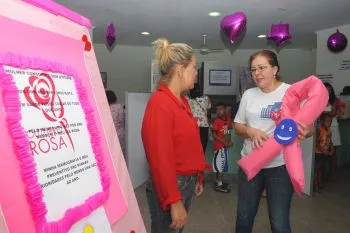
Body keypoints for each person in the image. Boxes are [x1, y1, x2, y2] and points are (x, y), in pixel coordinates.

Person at [233, 50, 313, 233]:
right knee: (244, 217)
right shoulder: (249, 95)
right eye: (253, 69)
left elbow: (309, 128)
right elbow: (237, 125)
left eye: (262, 68)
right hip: (251, 165)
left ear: (275, 69)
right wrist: (249, 131)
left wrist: (306, 131)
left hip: (280, 167)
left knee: (279, 221)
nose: (257, 73)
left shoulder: (291, 92)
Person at [141, 38, 208, 233]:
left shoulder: (182, 101)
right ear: (180, 68)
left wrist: (198, 175)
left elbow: (190, 145)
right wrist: (174, 200)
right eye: (194, 67)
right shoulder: (160, 103)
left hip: (186, 181)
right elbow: (160, 158)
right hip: (172, 185)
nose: (196, 73)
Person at [212, 103, 232, 193]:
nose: (219, 111)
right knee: (220, 166)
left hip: (224, 146)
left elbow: (228, 131)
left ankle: (218, 182)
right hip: (219, 147)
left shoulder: (228, 119)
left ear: (225, 109)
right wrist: (224, 142)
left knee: (222, 165)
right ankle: (219, 185)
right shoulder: (217, 121)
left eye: (221, 109)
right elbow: (214, 135)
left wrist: (229, 141)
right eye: (217, 110)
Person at [323, 82, 342, 178]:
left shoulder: (334, 100)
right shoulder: (319, 98)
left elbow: (333, 113)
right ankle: (324, 175)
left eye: (330, 90)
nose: (328, 91)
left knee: (333, 152)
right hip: (322, 128)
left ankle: (333, 174)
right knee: (323, 152)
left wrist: (323, 112)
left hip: (333, 127)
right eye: (326, 89)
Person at [188, 84, 211, 152]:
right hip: (204, 125)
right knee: (202, 149)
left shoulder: (187, 99)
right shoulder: (206, 98)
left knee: (192, 149)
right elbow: (208, 110)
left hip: (192, 126)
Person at [314, 113, 333, 192]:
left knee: (322, 169)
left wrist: (331, 149)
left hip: (325, 153)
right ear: (322, 121)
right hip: (319, 153)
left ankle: (320, 183)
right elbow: (317, 142)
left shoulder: (329, 131)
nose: (329, 123)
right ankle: (315, 185)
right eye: (327, 121)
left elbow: (330, 141)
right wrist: (324, 151)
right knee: (317, 169)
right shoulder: (319, 130)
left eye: (330, 121)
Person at [106, 90, 125, 156]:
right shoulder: (120, 107)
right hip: (122, 134)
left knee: (113, 156)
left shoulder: (107, 109)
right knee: (121, 155)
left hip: (112, 135)